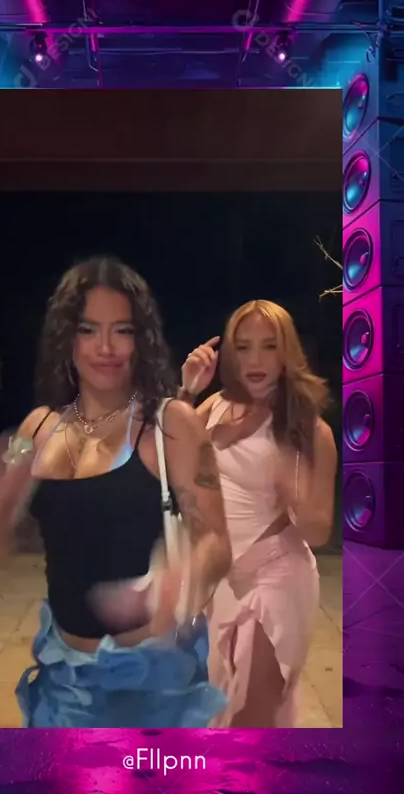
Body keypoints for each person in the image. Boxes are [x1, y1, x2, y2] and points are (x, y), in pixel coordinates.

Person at [0, 256, 231, 728]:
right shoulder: (38, 428)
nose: (105, 347)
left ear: (141, 339)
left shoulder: (170, 423)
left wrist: (178, 581)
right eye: (88, 329)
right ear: (67, 338)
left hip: (152, 684)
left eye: (122, 330)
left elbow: (217, 541)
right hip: (63, 683)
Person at [179, 299, 337, 728]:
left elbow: (318, 531)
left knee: (250, 720)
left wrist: (291, 488)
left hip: (277, 578)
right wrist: (187, 392)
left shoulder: (309, 429)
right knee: (219, 715)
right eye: (244, 347)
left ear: (287, 353)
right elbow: (166, 463)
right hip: (221, 580)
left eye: (269, 346)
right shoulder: (214, 406)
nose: (255, 360)